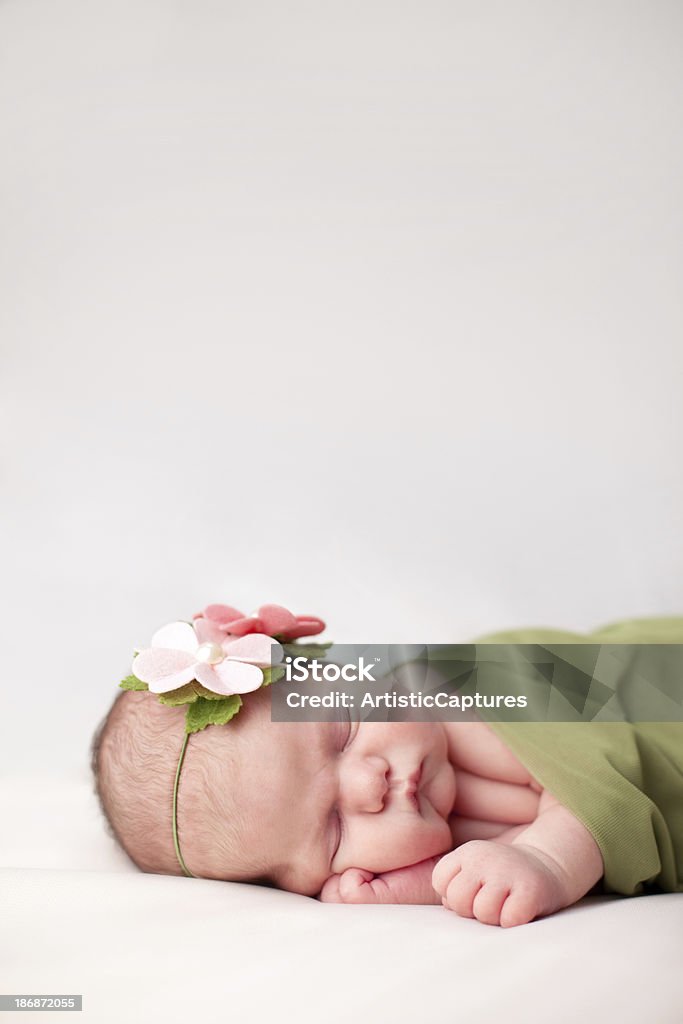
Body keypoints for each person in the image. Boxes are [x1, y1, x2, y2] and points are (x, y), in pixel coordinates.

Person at [91, 605, 683, 927]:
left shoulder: (471, 688)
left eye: (340, 731)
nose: (368, 785)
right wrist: (413, 888)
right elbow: (482, 877)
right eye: (334, 830)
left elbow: (610, 791)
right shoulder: (423, 821)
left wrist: (545, 860)